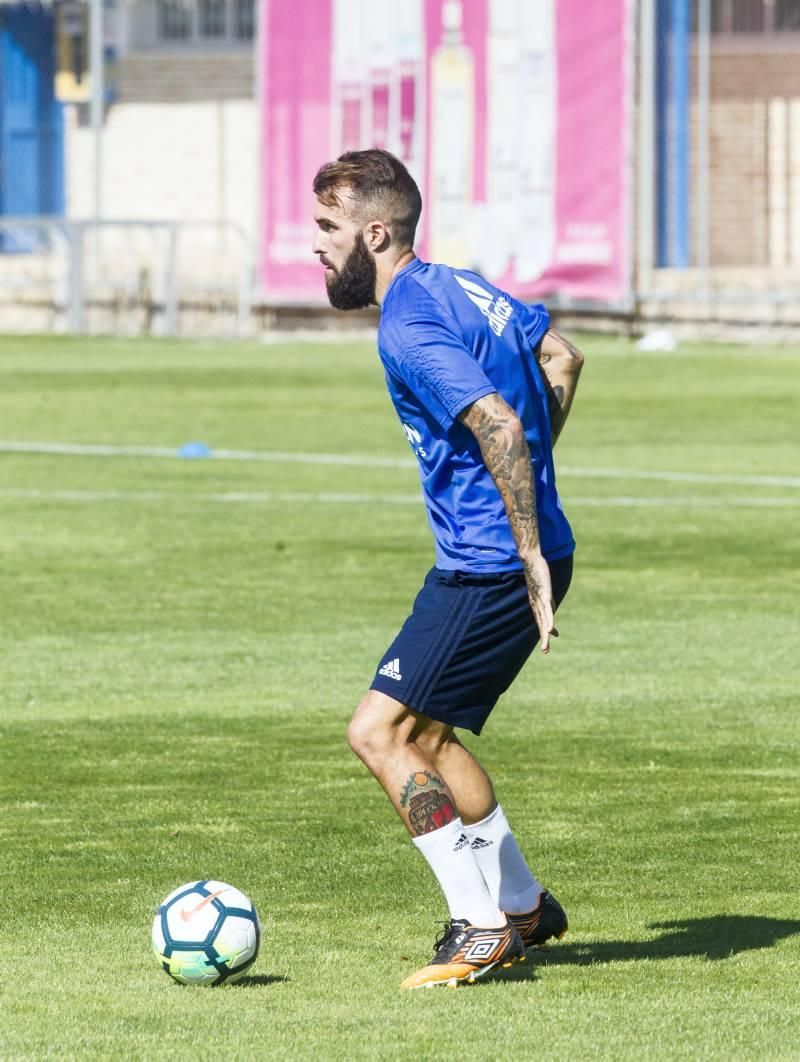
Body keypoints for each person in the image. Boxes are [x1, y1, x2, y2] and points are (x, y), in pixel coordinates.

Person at [311, 149, 584, 990]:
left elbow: (498, 419)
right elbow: (563, 357)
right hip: (505, 554)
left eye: (329, 228)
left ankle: (481, 928)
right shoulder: (459, 285)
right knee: (429, 734)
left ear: (377, 232)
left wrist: (525, 548)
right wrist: (534, 503)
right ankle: (525, 904)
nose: (314, 246)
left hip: (492, 567)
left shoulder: (407, 323)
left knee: (378, 733)